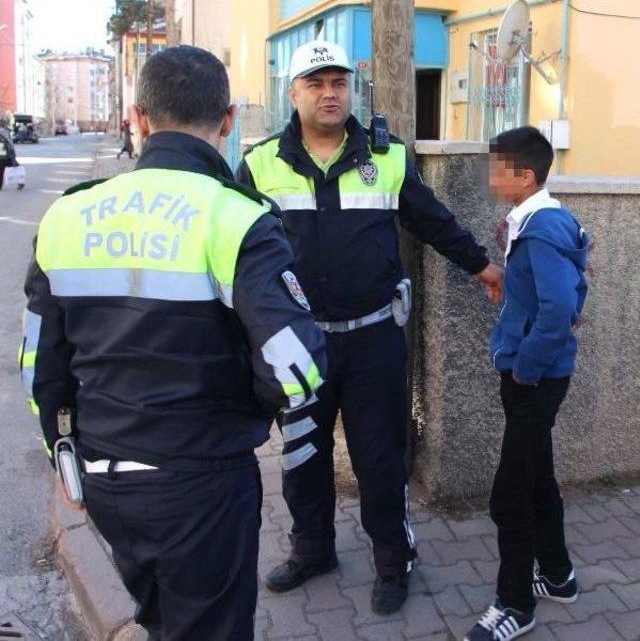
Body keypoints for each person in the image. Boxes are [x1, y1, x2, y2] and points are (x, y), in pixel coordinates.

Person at [19, 45, 326, 640]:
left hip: (106, 479)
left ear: (137, 118)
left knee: (161, 619)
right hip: (203, 485)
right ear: (229, 120)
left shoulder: (66, 216)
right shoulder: (235, 219)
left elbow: (39, 368)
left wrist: (66, 453)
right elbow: (297, 369)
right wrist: (248, 411)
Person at [236, 40, 504, 615]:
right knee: (303, 457)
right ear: (293, 92)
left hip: (374, 340)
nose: (329, 93)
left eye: (338, 82)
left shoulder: (387, 157)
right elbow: (231, 249)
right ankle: (313, 550)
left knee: (380, 459)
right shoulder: (259, 165)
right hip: (298, 342)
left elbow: (433, 220)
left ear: (351, 89)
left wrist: (483, 266)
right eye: (316, 83)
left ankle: (392, 560)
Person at [465, 127, 589, 641]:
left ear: (526, 176)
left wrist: (525, 368)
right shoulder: (536, 223)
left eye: (499, 169)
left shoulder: (541, 229)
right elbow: (553, 296)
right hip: (533, 372)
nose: (492, 178)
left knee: (508, 497)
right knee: (537, 475)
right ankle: (557, 577)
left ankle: (515, 604)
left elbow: (560, 309)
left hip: (534, 379)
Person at [0, 120, 18, 190]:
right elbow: (10, 142)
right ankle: (20, 181)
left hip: (2, 151)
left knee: (1, 169)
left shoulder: (2, 131)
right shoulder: (5, 131)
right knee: (14, 165)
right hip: (6, 152)